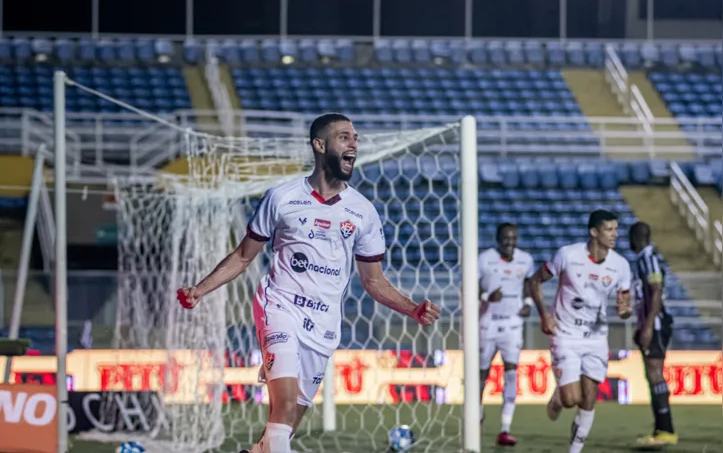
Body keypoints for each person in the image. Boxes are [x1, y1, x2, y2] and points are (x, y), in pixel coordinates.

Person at [176, 113, 441, 453]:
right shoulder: (281, 197)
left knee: (283, 428)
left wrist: (413, 309)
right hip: (279, 307)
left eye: (355, 138)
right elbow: (244, 256)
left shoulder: (363, 212)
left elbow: (373, 282)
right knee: (283, 409)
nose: (354, 144)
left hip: (324, 325)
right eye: (344, 136)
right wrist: (200, 289)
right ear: (320, 145)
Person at [528, 209, 632, 453]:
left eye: (616, 229)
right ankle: (559, 397)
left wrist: (625, 310)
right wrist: (545, 315)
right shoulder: (567, 255)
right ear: (594, 232)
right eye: (609, 229)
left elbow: (625, 307)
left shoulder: (621, 266)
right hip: (565, 334)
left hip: (596, 338)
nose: (615, 234)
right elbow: (534, 281)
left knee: (589, 397)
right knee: (571, 399)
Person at [477, 223, 534, 447]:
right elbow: (471, 286)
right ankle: (478, 415)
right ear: (498, 239)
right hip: (487, 323)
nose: (510, 242)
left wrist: (528, 302)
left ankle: (505, 429)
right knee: (482, 373)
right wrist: (486, 297)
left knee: (511, 373)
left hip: (512, 324)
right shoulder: (484, 259)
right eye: (506, 238)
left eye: (513, 238)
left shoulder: (525, 260)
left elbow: (528, 283)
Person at [628, 222, 677, 446]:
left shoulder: (648, 259)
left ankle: (666, 430)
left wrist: (648, 326)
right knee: (652, 373)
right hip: (650, 322)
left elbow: (656, 291)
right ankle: (660, 430)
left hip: (656, 323)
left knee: (655, 372)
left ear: (637, 238)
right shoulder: (642, 260)